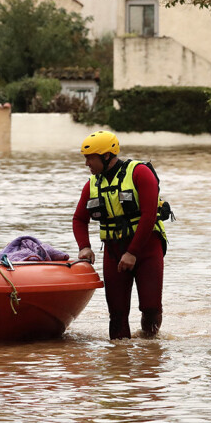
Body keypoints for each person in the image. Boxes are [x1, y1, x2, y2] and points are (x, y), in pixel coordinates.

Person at [72, 130, 168, 340]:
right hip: (114, 251)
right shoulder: (92, 184)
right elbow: (79, 219)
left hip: (146, 248)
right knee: (117, 313)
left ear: (106, 156)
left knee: (150, 307)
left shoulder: (140, 173)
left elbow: (149, 215)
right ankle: (118, 363)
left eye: (90, 158)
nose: (87, 163)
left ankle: (150, 351)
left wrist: (133, 252)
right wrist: (84, 247)